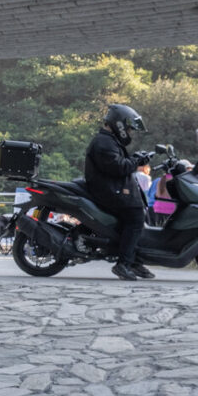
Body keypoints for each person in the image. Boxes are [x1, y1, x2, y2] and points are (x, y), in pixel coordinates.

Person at [83, 103, 151, 281]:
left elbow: (120, 163)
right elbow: (117, 168)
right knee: (136, 217)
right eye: (128, 128)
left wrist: (136, 159)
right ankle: (124, 264)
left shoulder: (109, 140)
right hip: (109, 191)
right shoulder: (103, 142)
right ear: (119, 124)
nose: (129, 132)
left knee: (135, 217)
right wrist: (136, 161)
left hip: (114, 189)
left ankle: (134, 260)